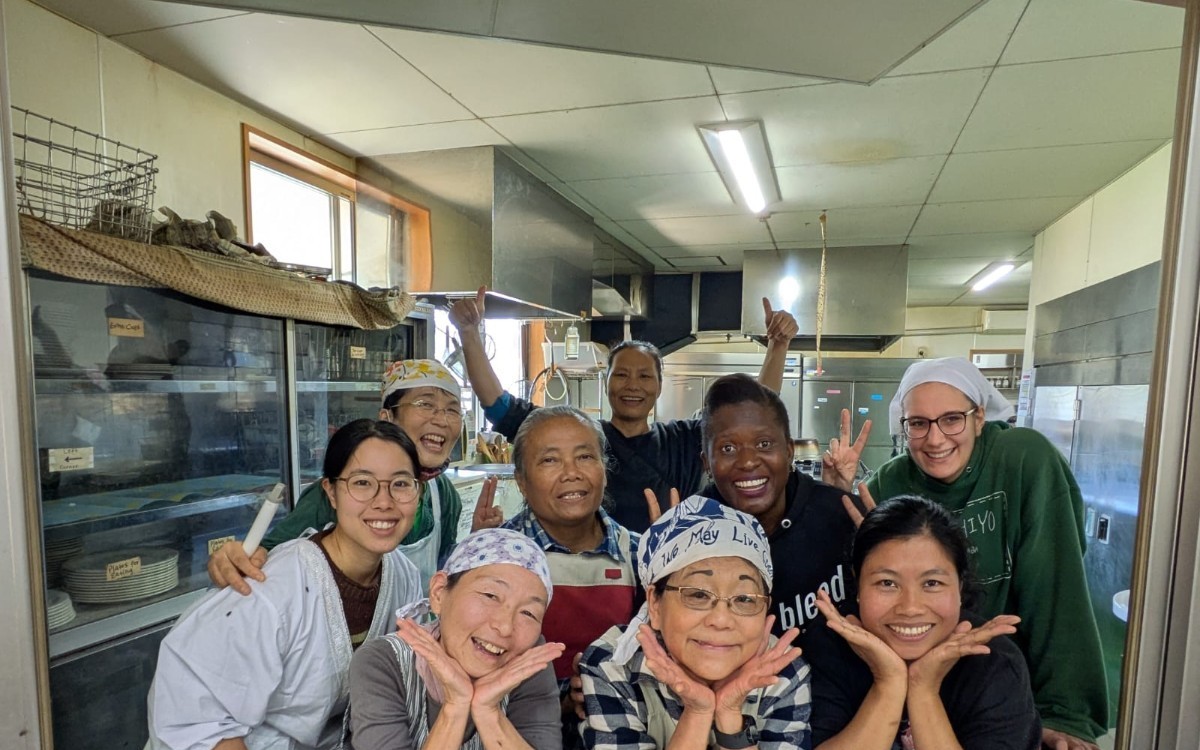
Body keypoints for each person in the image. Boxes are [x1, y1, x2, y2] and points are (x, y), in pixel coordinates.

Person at [823, 357, 1108, 750]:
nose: (936, 439)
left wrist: (1065, 713)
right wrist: (834, 498)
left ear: (979, 417)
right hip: (920, 680)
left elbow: (1057, 590)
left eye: (952, 419)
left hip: (1001, 679)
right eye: (918, 424)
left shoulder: (1024, 458)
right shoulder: (892, 480)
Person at [147, 419, 425, 750]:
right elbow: (198, 720)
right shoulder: (271, 590)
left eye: (401, 484)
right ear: (331, 492)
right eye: (362, 483)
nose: (384, 502)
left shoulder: (404, 578)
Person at [448, 286, 799, 533]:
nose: (633, 385)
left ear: (659, 386)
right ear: (607, 382)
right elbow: (498, 407)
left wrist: (778, 346)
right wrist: (469, 334)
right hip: (594, 572)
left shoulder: (685, 439)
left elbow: (752, 413)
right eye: (623, 375)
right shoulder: (581, 437)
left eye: (645, 376)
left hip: (673, 568)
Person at [208, 358, 502, 596]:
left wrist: (476, 539)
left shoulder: (443, 494)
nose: (441, 419)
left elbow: (443, 574)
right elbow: (266, 561)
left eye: (453, 410)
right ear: (387, 418)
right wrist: (234, 561)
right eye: (425, 404)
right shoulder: (340, 492)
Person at [809, 495, 1040, 750]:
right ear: (858, 585)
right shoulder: (830, 648)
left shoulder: (994, 663)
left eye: (932, 583)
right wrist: (888, 683)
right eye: (887, 583)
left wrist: (924, 688)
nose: (910, 608)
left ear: (960, 587)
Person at [579, 496, 809, 749]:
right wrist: (697, 711)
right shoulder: (613, 665)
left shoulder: (782, 672)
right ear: (655, 604)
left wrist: (729, 712)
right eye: (698, 594)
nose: (721, 620)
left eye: (744, 598)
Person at [346, 528, 564, 749]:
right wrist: (455, 706)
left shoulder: (528, 662)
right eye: (490, 595)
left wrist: (488, 712)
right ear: (439, 592)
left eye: (528, 613)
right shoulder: (383, 662)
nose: (505, 627)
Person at [502, 405, 641, 746]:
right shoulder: (499, 560)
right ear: (521, 479)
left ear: (604, 469)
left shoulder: (639, 554)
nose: (571, 473)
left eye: (584, 457)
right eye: (550, 460)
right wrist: (561, 698)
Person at [693, 373, 861, 654]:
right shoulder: (690, 530)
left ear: (789, 451)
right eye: (728, 448)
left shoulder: (845, 516)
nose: (748, 462)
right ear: (706, 463)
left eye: (764, 444)